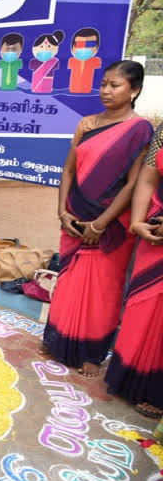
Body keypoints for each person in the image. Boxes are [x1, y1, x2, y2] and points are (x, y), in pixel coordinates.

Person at [43, 61, 152, 378]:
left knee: (102, 291)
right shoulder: (87, 124)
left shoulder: (140, 130)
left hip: (110, 226)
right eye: (103, 84)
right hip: (74, 219)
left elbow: (133, 184)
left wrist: (101, 223)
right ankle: (57, 341)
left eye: (115, 85)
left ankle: (92, 353)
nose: (106, 90)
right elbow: (69, 171)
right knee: (68, 284)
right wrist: (62, 211)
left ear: (134, 90)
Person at [104, 121, 163, 418]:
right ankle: (130, 378)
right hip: (154, 233)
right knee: (143, 307)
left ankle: (156, 389)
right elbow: (149, 178)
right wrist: (138, 221)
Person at [68, 28, 102, 94]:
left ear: (97, 46)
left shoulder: (96, 60)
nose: (84, 48)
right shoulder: (71, 60)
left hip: (89, 92)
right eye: (79, 44)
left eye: (90, 44)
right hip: (72, 90)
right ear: (72, 46)